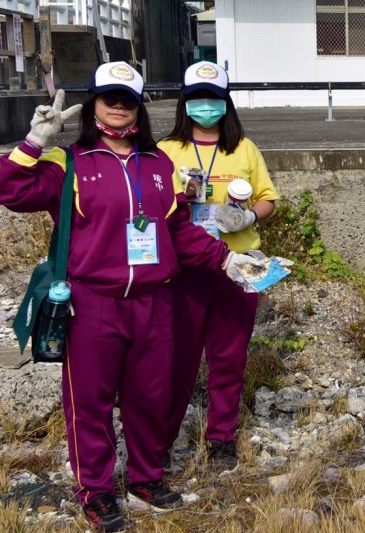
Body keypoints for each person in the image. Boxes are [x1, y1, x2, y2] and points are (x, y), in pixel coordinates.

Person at [0, 63, 256, 532]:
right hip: (94, 302)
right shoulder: (70, 161)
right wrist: (34, 143)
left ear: (139, 106)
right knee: (91, 403)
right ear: (94, 103)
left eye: (126, 99)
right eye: (108, 98)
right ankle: (96, 493)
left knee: (150, 397)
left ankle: (145, 478)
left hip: (156, 301)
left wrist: (226, 260)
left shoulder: (159, 165)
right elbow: (8, 190)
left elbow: (178, 229)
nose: (118, 107)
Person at [158, 61, 279, 474]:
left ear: (225, 102)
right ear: (185, 102)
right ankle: (162, 441)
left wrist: (249, 219)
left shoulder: (243, 148)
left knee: (229, 358)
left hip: (240, 267)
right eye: (197, 98)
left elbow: (267, 198)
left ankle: (221, 439)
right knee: (178, 360)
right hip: (185, 269)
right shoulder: (165, 150)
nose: (205, 106)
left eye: (213, 99)